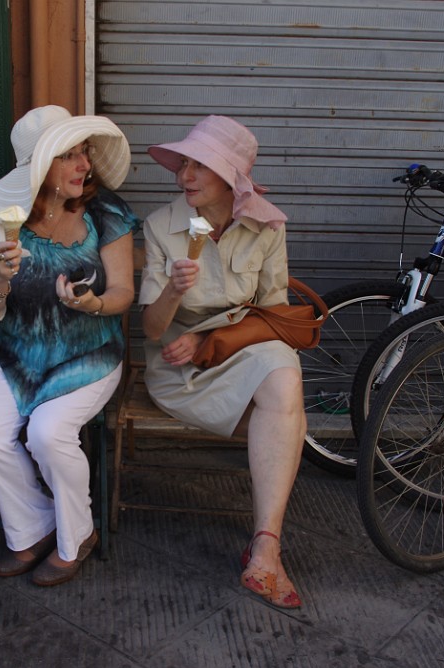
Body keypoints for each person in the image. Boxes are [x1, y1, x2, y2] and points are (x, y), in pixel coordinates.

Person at [0, 105, 137, 586]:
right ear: (38, 169)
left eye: (85, 154)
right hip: (18, 353)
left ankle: (77, 534)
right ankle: (34, 525)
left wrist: (93, 303)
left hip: (89, 352)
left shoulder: (105, 212)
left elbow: (123, 294)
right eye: (70, 157)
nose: (85, 165)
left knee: (47, 433)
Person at [138, 115, 305, 609]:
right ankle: (267, 548)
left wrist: (214, 335)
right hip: (180, 369)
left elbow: (274, 313)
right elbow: (150, 329)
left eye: (199, 166)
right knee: (288, 416)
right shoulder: (161, 226)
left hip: (241, 348)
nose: (184, 175)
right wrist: (174, 289)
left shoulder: (266, 226)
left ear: (230, 177)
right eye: (183, 164)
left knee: (283, 372)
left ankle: (266, 546)